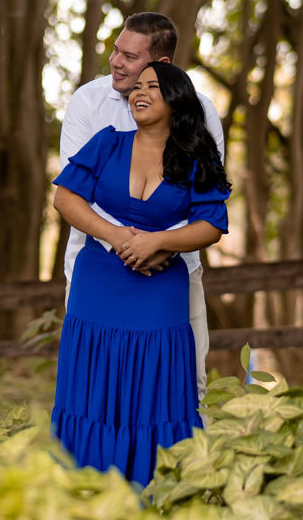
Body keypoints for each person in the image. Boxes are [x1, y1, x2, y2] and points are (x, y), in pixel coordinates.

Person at [51, 61, 231, 485]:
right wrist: (116, 236)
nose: (138, 92)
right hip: (97, 283)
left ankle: (155, 489)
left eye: (152, 86)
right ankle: (86, 488)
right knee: (92, 392)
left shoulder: (194, 160)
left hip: (160, 289)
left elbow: (211, 224)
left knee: (155, 391)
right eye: (136, 87)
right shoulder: (107, 143)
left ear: (176, 101)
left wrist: (158, 242)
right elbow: (65, 199)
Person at [59, 12, 225, 404]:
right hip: (97, 263)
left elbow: (205, 202)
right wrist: (127, 242)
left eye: (129, 57)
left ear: (160, 65)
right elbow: (73, 191)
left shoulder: (201, 113)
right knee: (92, 388)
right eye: (116, 50)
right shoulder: (89, 102)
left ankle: (175, 464)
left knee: (182, 384)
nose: (116, 62)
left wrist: (160, 244)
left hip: (173, 268)